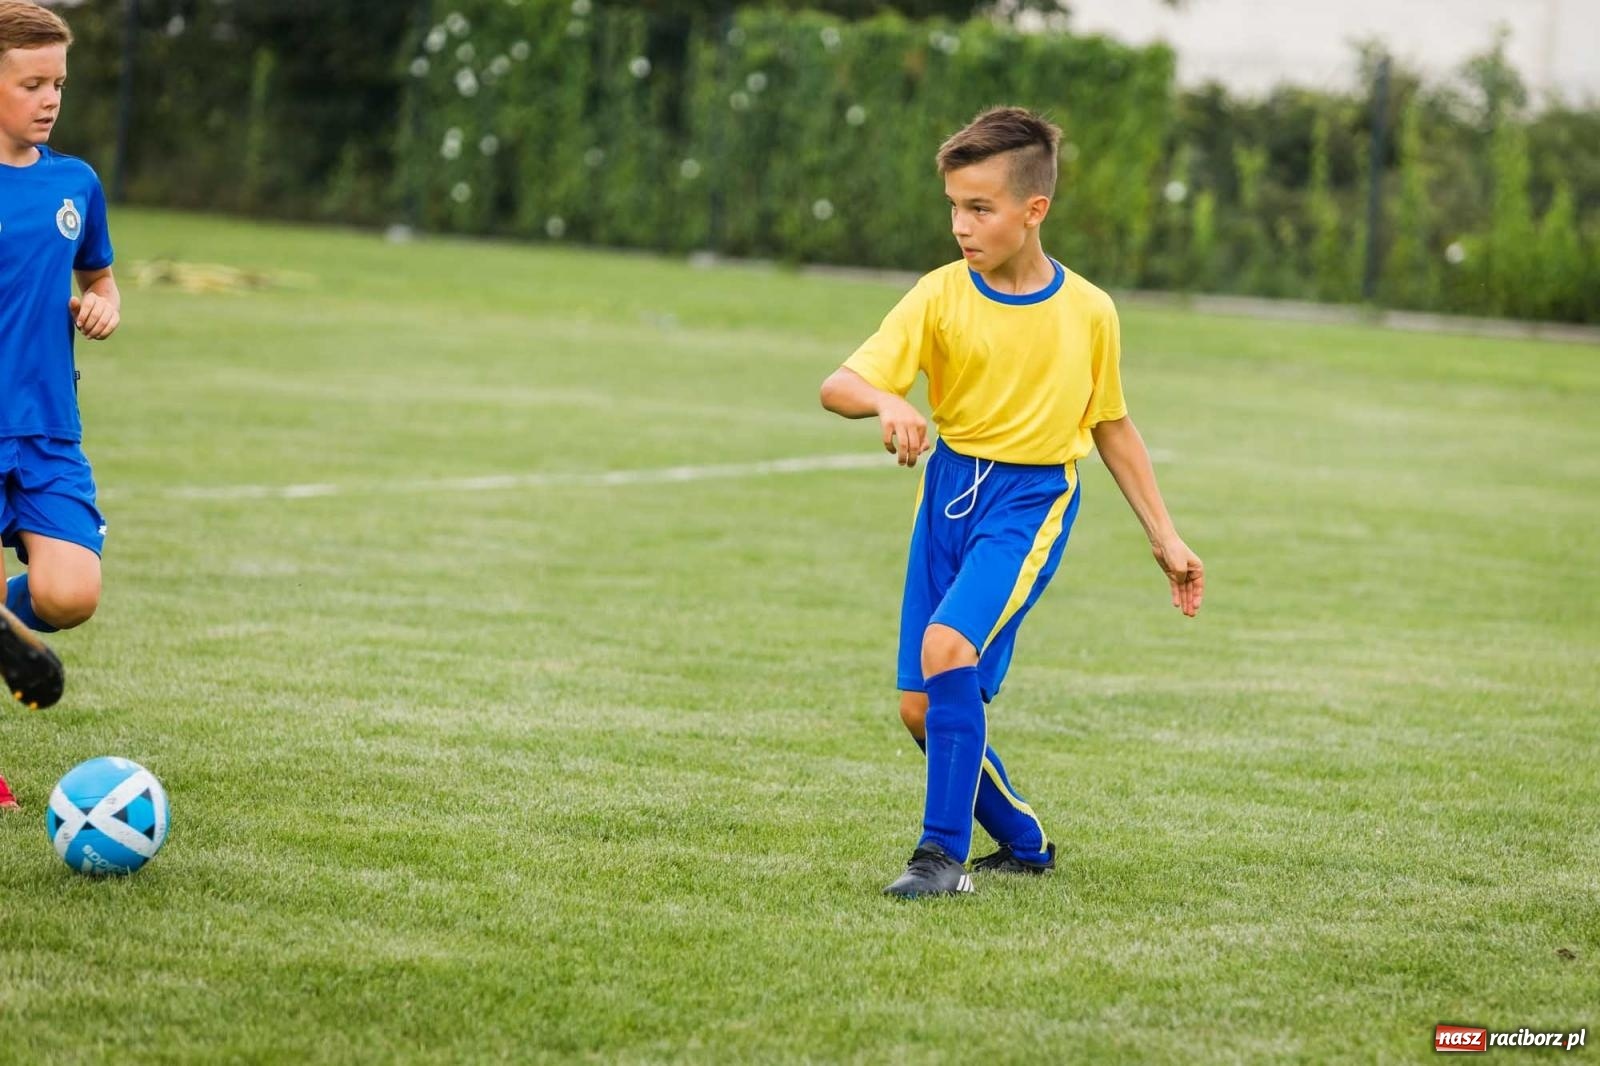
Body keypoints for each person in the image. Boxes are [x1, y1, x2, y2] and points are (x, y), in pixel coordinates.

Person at [819, 107, 1204, 898]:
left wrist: (1165, 535)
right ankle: (1024, 841)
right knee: (920, 711)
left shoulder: (1089, 311)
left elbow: (1112, 425)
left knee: (948, 648)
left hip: (1030, 501)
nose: (962, 225)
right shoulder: (939, 295)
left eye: (981, 208)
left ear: (1035, 211)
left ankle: (938, 859)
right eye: (956, 207)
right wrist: (887, 405)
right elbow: (840, 384)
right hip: (949, 493)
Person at [0, 0, 122, 809]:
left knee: (69, 595)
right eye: (31, 83)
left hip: (47, 428)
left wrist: (104, 304)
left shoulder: (75, 182)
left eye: (60, 84)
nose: (50, 99)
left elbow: (98, 277)